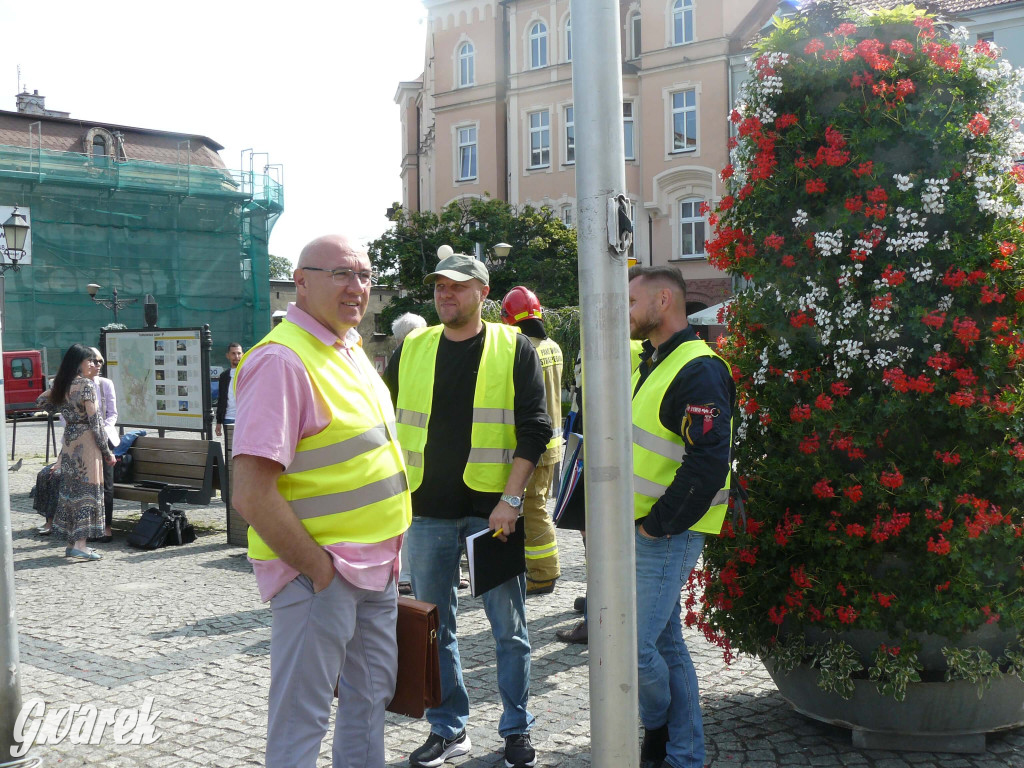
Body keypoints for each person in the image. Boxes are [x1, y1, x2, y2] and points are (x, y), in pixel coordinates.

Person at [231, 235, 411, 768]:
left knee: (369, 701)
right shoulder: (282, 360)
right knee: (300, 719)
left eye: (364, 275)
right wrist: (317, 568)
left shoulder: (347, 346)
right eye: (340, 274)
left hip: (376, 566)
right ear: (301, 282)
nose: (357, 287)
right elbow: (250, 492)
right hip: (322, 573)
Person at [383, 248, 550, 768]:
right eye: (439, 285)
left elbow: (536, 429)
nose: (445, 293)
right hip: (427, 510)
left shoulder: (513, 346)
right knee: (436, 629)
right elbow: (382, 417)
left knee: (510, 630)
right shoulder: (413, 347)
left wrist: (511, 500)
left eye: (457, 285)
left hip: (492, 513)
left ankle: (516, 728)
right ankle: (449, 730)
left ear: (483, 292)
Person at [627, 266, 734, 768]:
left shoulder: (698, 367)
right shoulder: (653, 360)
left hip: (668, 531)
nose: (625, 312)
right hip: (651, 527)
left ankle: (661, 729)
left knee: (634, 645)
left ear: (663, 301)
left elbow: (709, 461)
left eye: (631, 301)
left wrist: (657, 524)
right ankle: (684, 753)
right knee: (664, 644)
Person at [500, 286, 563, 595]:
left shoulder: (522, 349)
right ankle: (536, 567)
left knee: (534, 509)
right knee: (534, 506)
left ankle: (542, 572)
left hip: (532, 444)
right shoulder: (552, 346)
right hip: (551, 442)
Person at [40, 344, 116, 560]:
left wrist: (64, 411)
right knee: (87, 492)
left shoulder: (62, 384)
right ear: (78, 363)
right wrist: (107, 451)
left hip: (69, 441)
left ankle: (72, 542)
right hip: (87, 445)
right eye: (89, 360)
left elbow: (41, 401)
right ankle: (81, 545)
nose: (93, 364)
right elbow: (96, 423)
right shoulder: (86, 386)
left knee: (71, 492)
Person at [389, 313, 427, 597]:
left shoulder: (400, 357)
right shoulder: (437, 352)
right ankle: (457, 573)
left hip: (407, 450)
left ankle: (405, 575)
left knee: (409, 514)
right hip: (432, 451)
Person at [88, 347, 119, 543]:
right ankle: (90, 526)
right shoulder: (75, 386)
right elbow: (66, 417)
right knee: (90, 485)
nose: (99, 365)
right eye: (94, 361)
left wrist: (102, 430)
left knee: (106, 484)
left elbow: (113, 414)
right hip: (85, 440)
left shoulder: (105, 384)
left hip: (105, 438)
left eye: (101, 361)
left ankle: (107, 526)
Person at [215, 342, 243, 437]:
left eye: (239, 353)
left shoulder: (247, 373)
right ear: (228, 356)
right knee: (229, 449)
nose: (236, 356)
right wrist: (218, 422)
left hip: (244, 418)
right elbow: (221, 399)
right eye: (233, 353)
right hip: (228, 418)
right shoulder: (224, 376)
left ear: (243, 354)